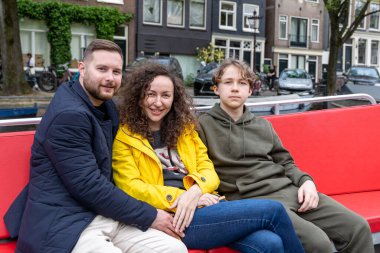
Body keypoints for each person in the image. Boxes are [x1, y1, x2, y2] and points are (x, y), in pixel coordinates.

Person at [4, 39, 187, 253]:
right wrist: (151, 215)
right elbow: (89, 187)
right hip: (67, 222)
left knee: (174, 249)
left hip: (103, 215)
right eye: (102, 69)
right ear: (82, 68)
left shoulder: (103, 104)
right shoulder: (69, 115)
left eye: (116, 71)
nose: (110, 78)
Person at [112, 61, 305, 253]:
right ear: (139, 97)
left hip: (207, 205)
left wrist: (195, 192)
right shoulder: (125, 138)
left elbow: (208, 169)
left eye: (165, 95)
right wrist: (184, 198)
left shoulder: (183, 130)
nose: (158, 102)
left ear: (174, 99)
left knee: (271, 244)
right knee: (273, 211)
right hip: (175, 215)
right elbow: (131, 188)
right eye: (150, 94)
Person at [197, 59, 374, 253]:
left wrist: (306, 182)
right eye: (228, 82)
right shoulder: (203, 126)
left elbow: (285, 162)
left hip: (290, 191)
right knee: (318, 243)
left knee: (358, 228)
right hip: (253, 201)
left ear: (250, 91)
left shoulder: (263, 126)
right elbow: (195, 167)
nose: (235, 88)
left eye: (242, 83)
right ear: (216, 89)